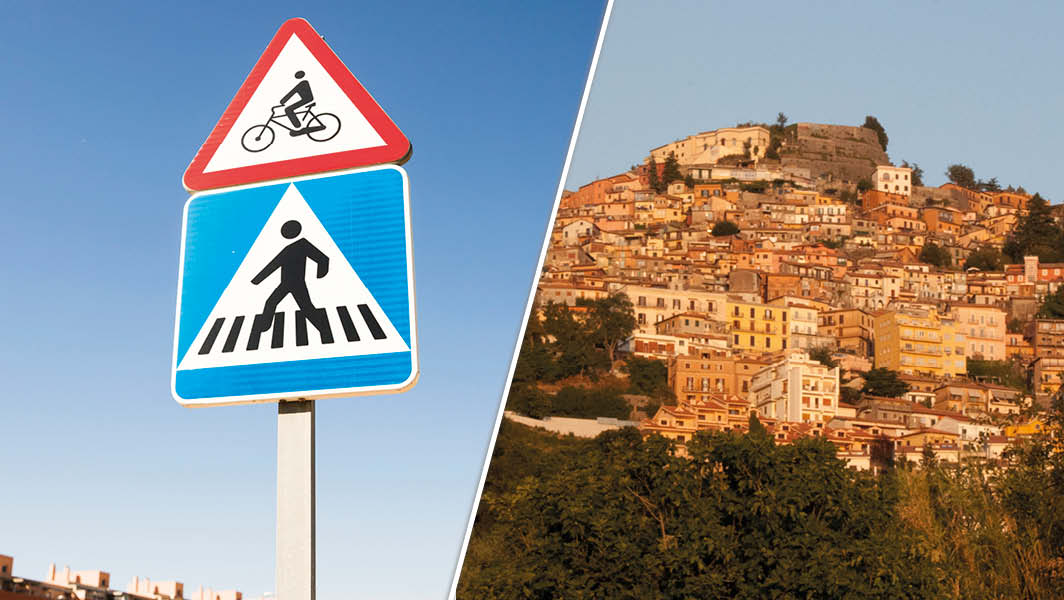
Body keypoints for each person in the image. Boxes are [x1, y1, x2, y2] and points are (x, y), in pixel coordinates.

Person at [279, 71, 325, 136]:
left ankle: (298, 128)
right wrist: (283, 101)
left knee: (288, 110)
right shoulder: (303, 82)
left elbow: (292, 92)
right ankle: (298, 126)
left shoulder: (303, 82)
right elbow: (292, 92)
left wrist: (282, 101)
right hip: (306, 99)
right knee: (289, 109)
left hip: (307, 99)